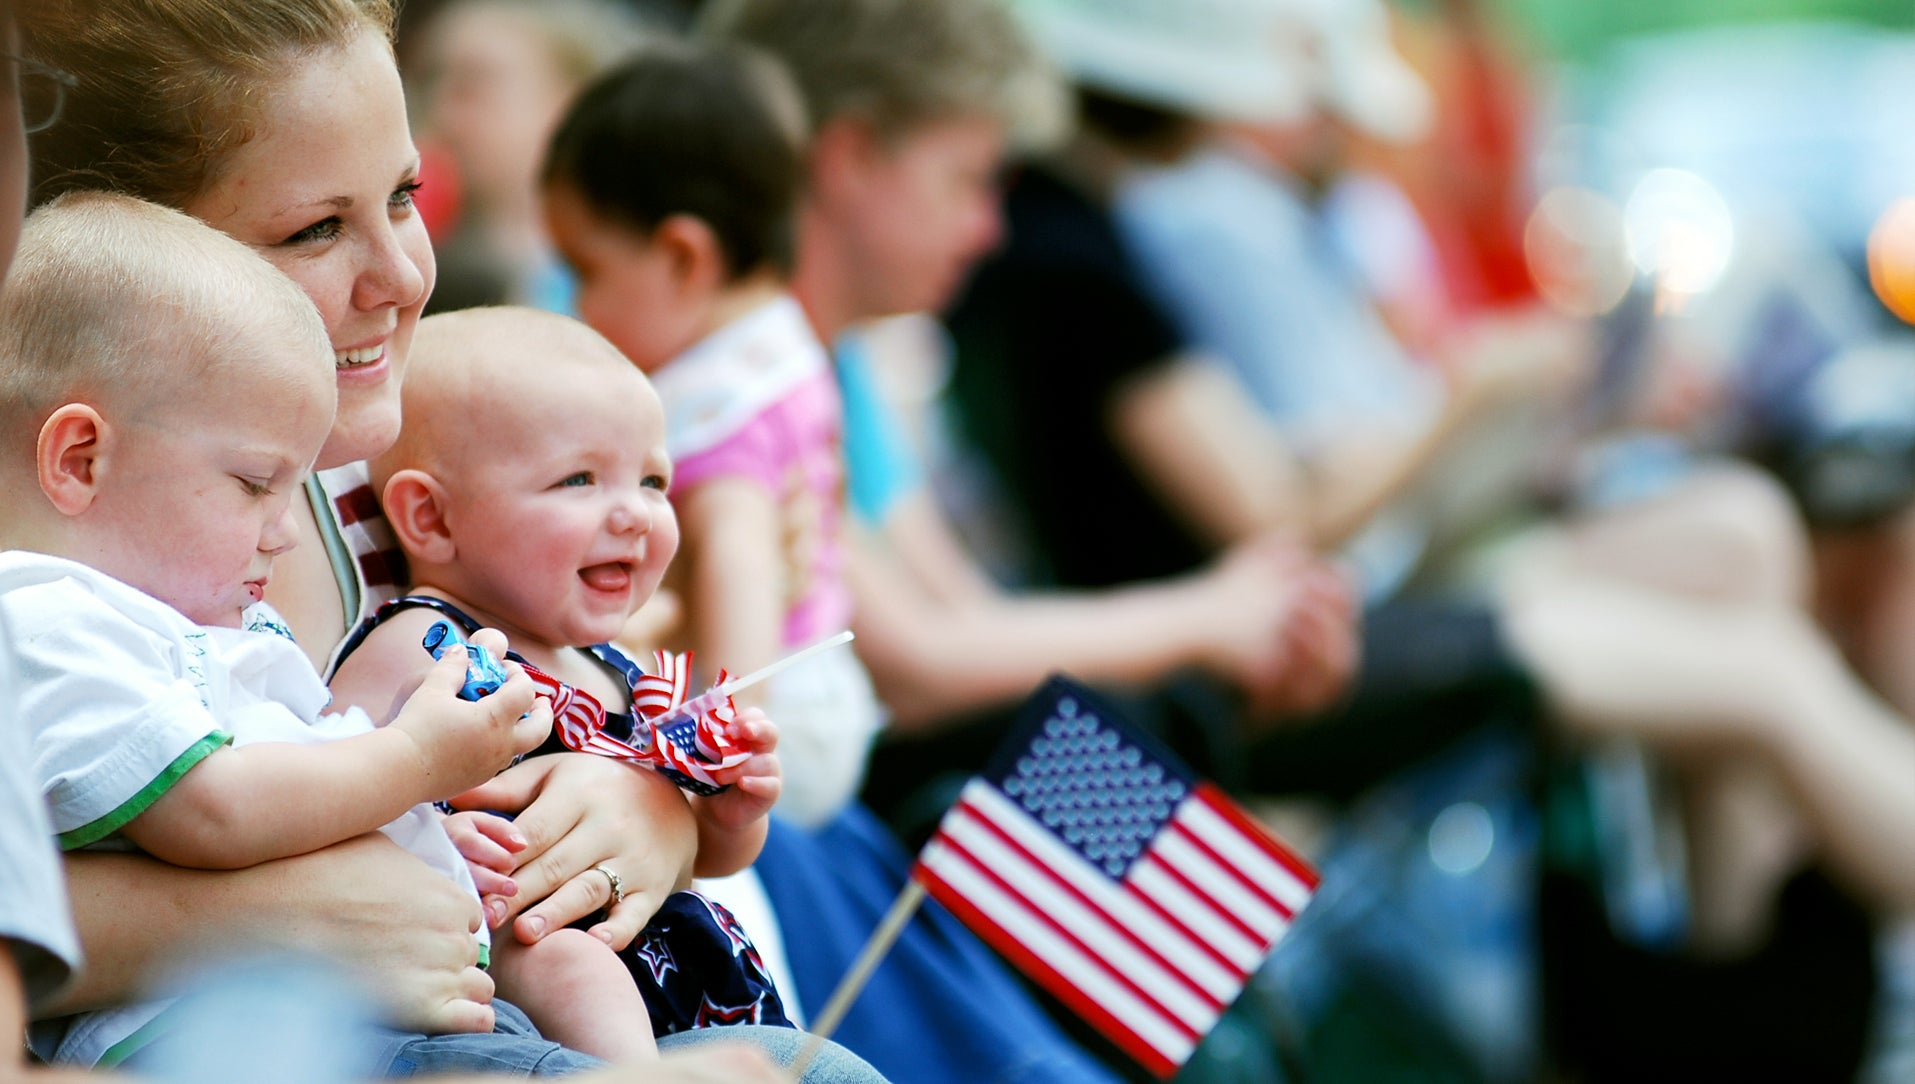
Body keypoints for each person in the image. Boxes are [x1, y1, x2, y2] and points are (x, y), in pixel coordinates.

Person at [18, 1, 880, 1078]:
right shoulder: (64, 561)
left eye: (403, 196)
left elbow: (564, 659)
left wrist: (644, 803)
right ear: (134, 268)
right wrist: (269, 912)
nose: (403, 275)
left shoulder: (366, 484)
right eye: (315, 230)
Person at [0, 191, 614, 1071]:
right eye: (256, 483)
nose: (283, 529)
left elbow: (277, 787)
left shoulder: (180, 620)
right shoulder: (44, 619)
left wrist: (423, 832)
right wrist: (416, 760)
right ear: (80, 460)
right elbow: (213, 811)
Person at [328, 306, 790, 1058]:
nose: (637, 514)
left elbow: (706, 859)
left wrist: (732, 810)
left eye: (652, 480)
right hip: (517, 944)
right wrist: (426, 840)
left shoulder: (617, 667)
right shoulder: (427, 644)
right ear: (431, 519)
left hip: (669, 961)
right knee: (566, 962)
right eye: (578, 479)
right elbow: (338, 783)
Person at [539, 38, 882, 827]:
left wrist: (716, 748)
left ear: (683, 257)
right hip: (819, 680)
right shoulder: (780, 348)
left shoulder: (719, 408)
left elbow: (740, 560)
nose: (575, 306)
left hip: (782, 714)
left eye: (584, 270)